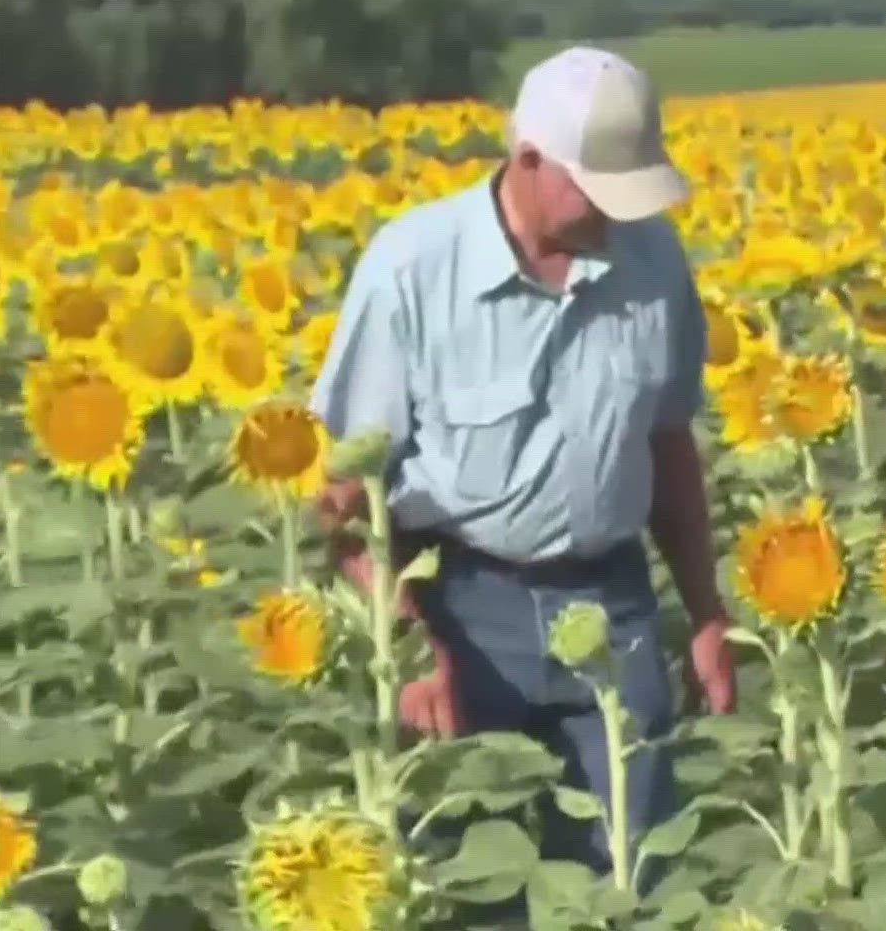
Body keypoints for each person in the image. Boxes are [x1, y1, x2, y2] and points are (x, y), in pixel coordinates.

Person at [309, 45, 736, 889]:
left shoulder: (652, 264)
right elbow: (343, 501)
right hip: (459, 610)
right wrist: (407, 644)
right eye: (596, 191)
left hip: (612, 603)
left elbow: (666, 444)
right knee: (470, 874)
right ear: (528, 159)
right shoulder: (412, 271)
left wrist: (707, 614)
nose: (616, 214)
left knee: (634, 872)